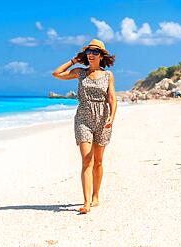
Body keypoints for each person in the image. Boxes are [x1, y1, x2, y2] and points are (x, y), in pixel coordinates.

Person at [52, 39, 117, 214]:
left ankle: (96, 196)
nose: (91, 54)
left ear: (101, 55)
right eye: (89, 51)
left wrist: (112, 116)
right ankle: (87, 202)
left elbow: (112, 98)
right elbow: (56, 73)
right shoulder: (80, 73)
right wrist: (74, 60)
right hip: (83, 119)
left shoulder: (108, 76)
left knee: (99, 161)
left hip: (102, 119)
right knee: (87, 159)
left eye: (95, 51)